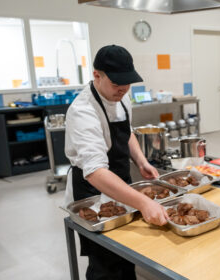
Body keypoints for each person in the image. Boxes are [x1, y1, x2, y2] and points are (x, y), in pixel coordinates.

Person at [64, 45, 168, 280]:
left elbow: (127, 131)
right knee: (104, 261)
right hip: (93, 190)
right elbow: (95, 171)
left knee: (126, 253)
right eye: (116, 84)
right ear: (97, 75)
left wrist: (140, 161)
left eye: (127, 84)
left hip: (121, 180)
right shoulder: (82, 111)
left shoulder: (121, 96)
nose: (122, 90)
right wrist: (143, 202)